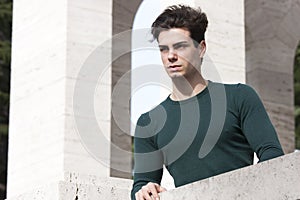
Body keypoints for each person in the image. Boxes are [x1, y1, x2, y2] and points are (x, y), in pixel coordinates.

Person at [131, 4, 284, 200]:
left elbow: (272, 157)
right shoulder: (148, 123)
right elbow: (141, 185)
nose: (171, 56)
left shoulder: (239, 97)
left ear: (201, 48)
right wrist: (144, 191)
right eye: (164, 49)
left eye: (180, 46)